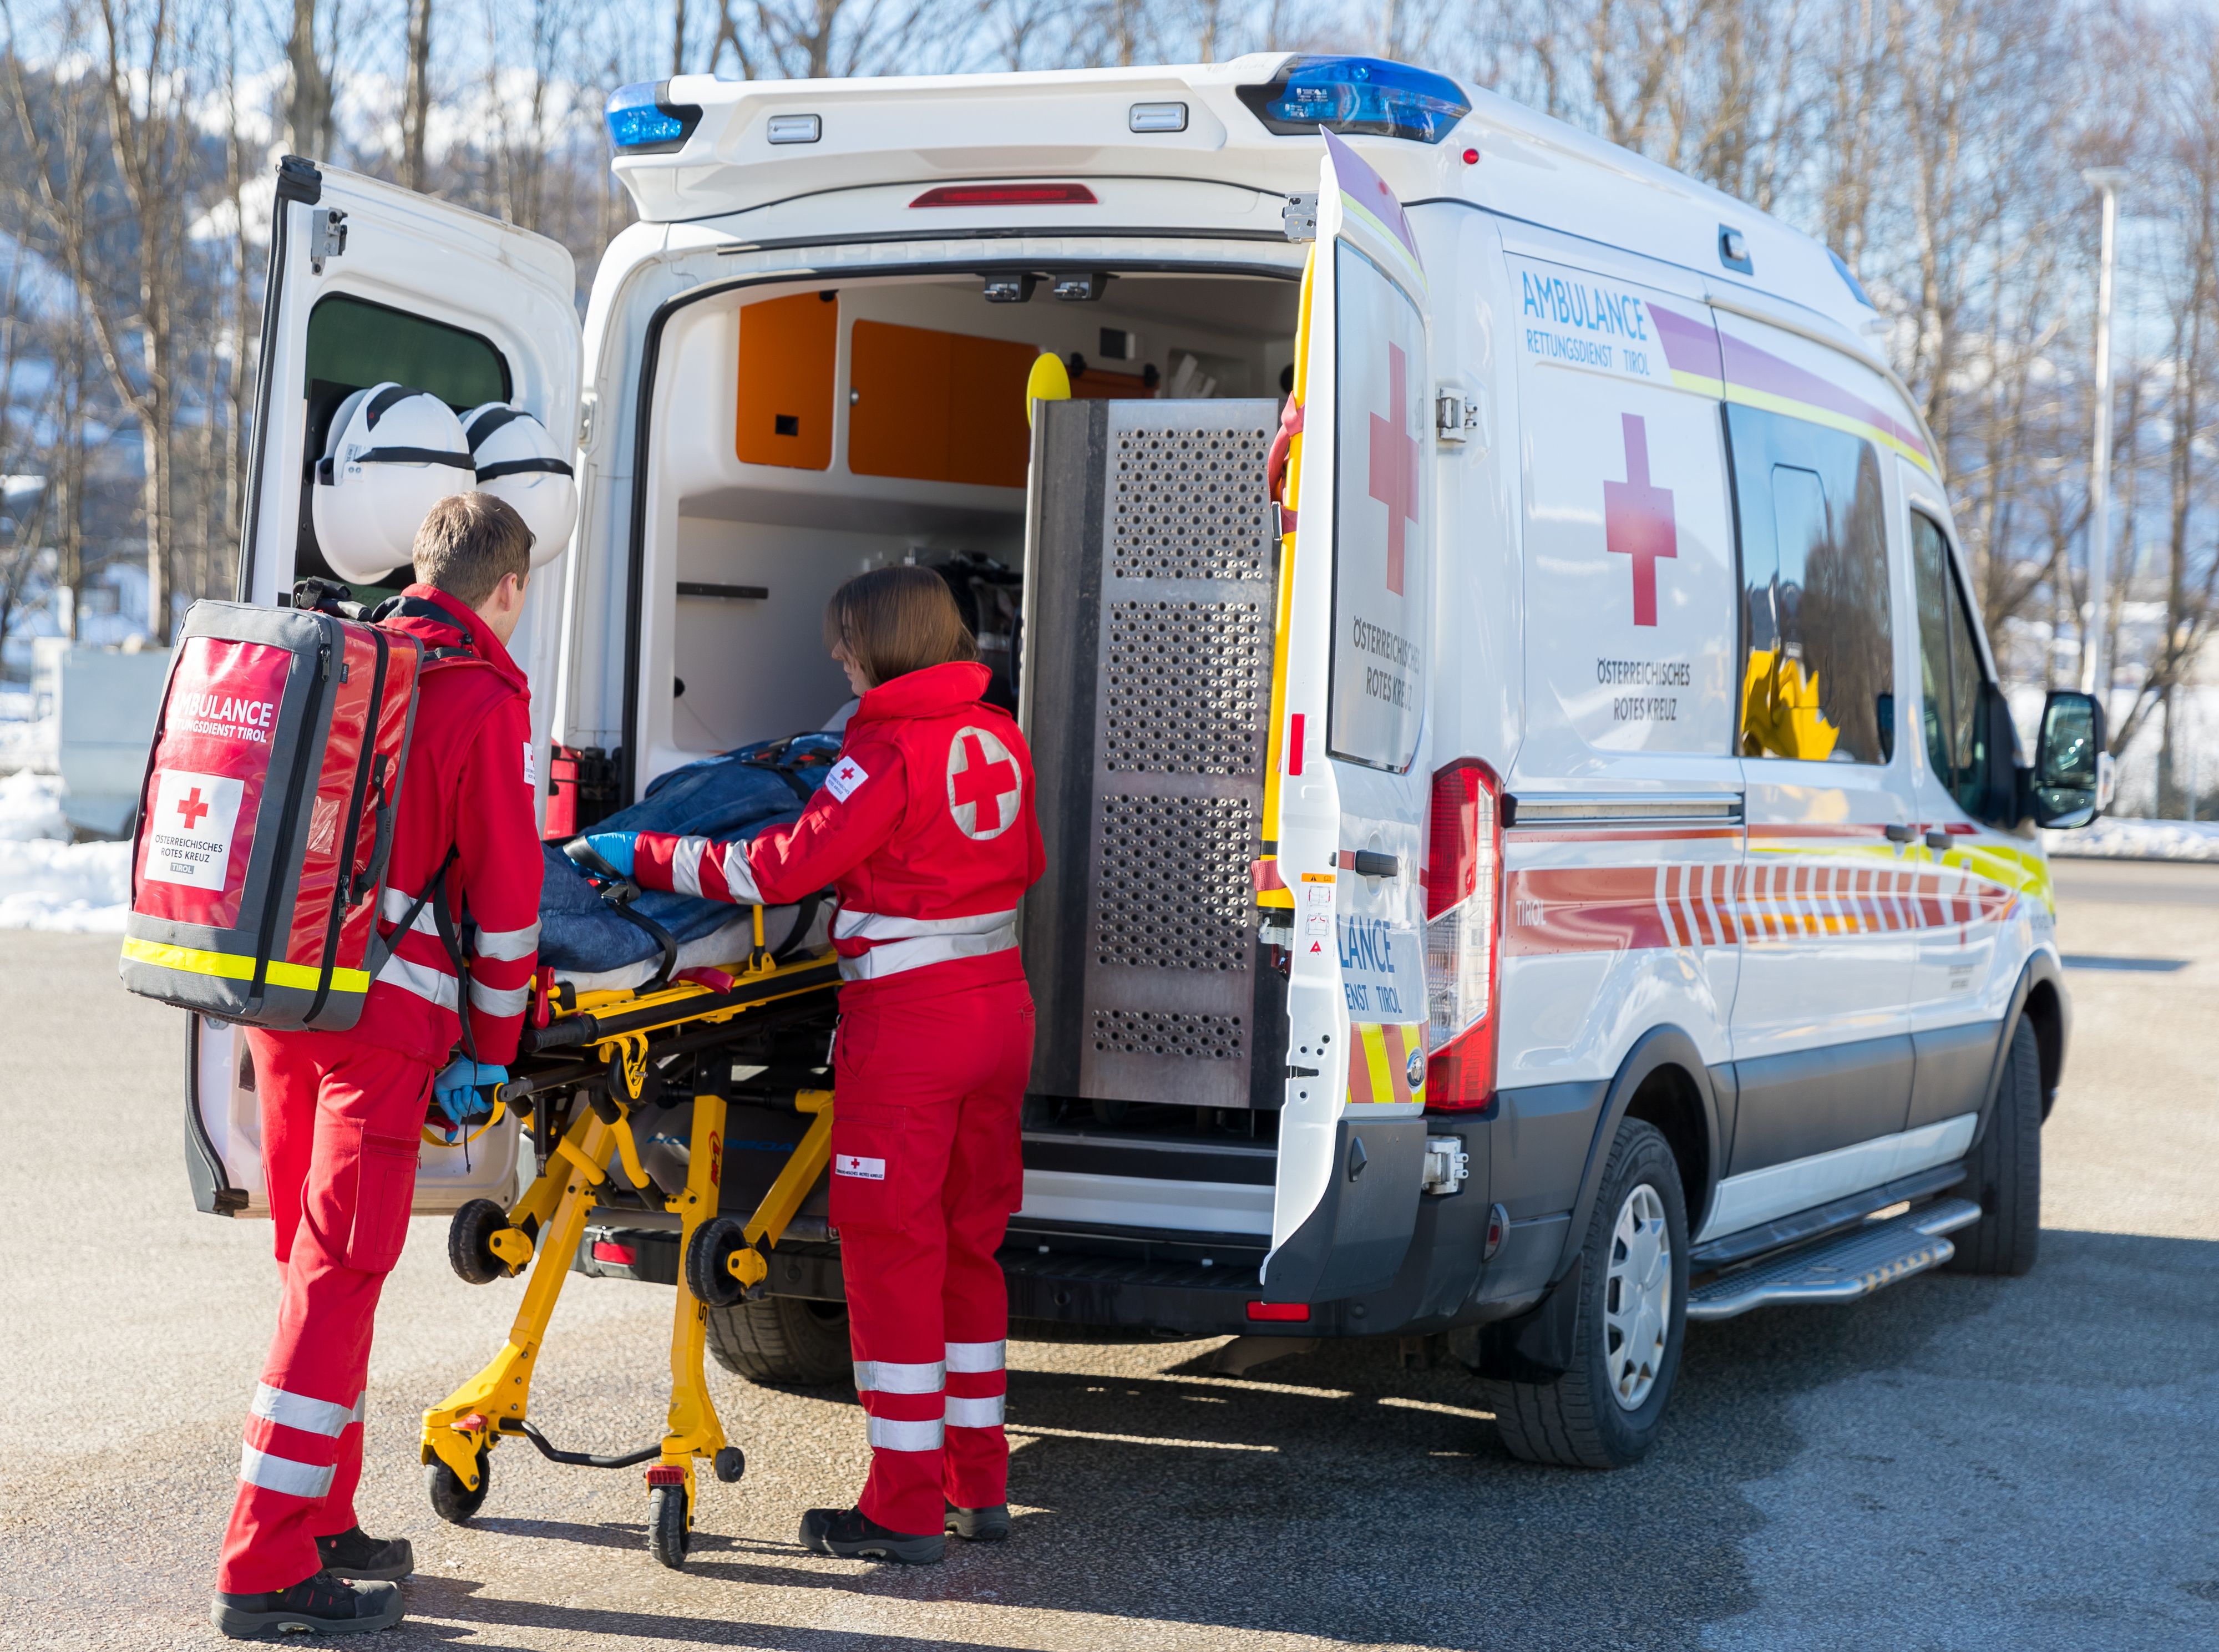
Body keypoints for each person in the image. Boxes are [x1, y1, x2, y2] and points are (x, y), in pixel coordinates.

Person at [585, 565, 1043, 1565]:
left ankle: (905, 1508)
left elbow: (779, 868)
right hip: (999, 1011)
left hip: (911, 1026)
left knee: (893, 1255)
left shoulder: (883, 749)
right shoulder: (998, 736)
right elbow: (1020, 861)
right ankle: (980, 1486)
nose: (837, 658)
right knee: (970, 1248)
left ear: (881, 644)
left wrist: (643, 854)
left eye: (845, 642)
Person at [212, 493, 545, 1640]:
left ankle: (325, 1520)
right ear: (507, 587)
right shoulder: (481, 695)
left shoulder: (347, 658)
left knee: (316, 1266)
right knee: (341, 1272)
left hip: (287, 1002)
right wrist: (495, 1049)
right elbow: (505, 907)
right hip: (384, 1029)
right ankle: (261, 1566)